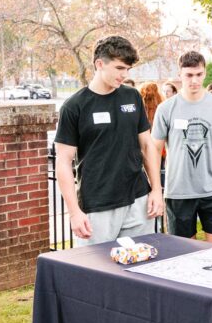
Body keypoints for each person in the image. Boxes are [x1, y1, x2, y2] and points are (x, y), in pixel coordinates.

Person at [55, 36, 164, 246]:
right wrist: (74, 212)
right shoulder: (74, 106)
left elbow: (147, 145)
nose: (124, 75)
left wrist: (156, 190)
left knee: (140, 269)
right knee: (97, 274)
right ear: (99, 64)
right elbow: (63, 162)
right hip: (98, 205)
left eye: (128, 69)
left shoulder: (132, 96)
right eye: (119, 68)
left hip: (138, 200)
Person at [151, 51, 212, 243]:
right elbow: (154, 150)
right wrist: (156, 189)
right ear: (180, 75)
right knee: (182, 254)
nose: (194, 80)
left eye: (198, 74)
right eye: (189, 75)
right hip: (178, 191)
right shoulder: (166, 108)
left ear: (205, 73)